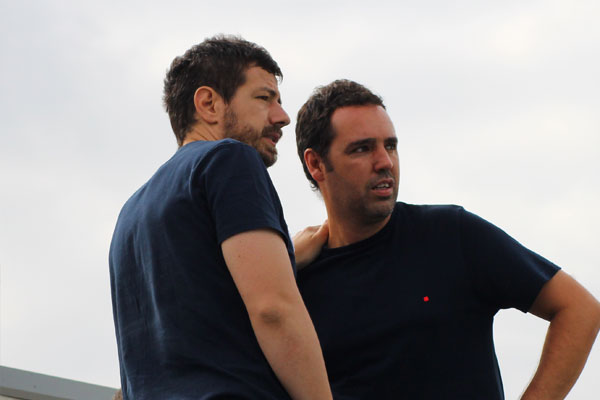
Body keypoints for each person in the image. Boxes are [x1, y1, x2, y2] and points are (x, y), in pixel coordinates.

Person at [294, 79, 600, 399]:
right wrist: (285, 263)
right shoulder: (297, 281)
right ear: (316, 164)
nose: (385, 162)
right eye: (362, 148)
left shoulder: (451, 235)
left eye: (391, 145)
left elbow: (580, 309)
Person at [109, 35, 331, 400]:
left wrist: (284, 258)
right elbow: (273, 310)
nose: (282, 117)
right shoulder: (228, 159)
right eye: (264, 98)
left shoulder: (130, 215)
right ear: (208, 103)